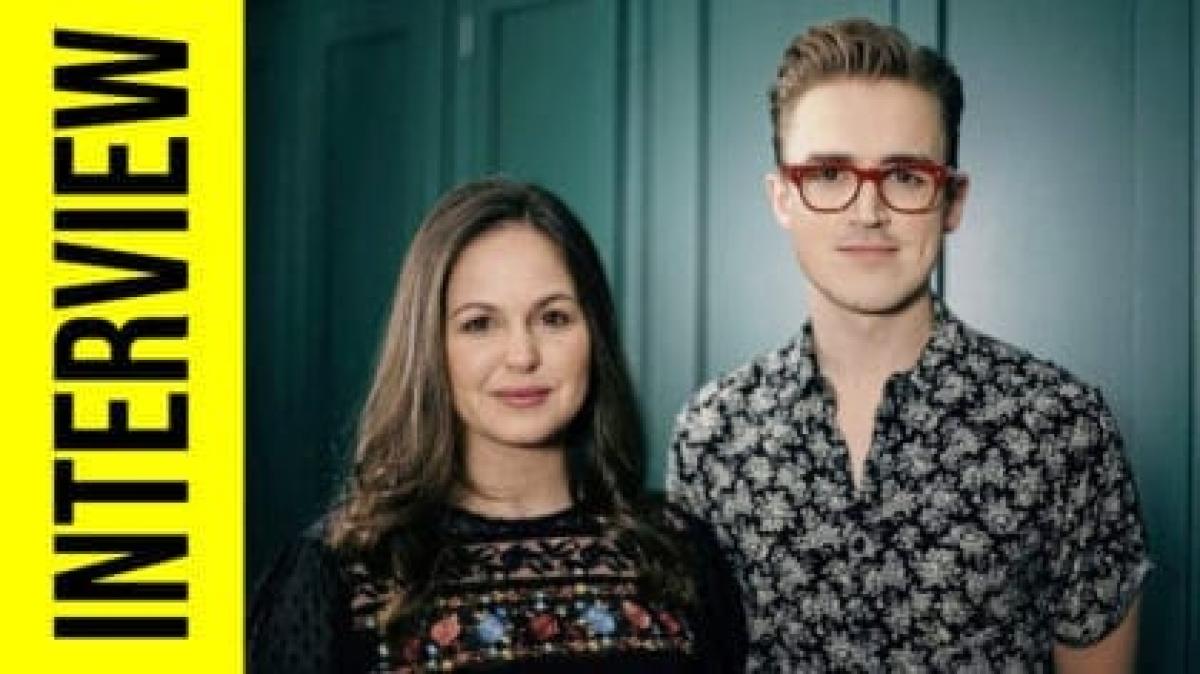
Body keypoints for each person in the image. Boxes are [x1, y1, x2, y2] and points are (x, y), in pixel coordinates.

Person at [667, 18, 1150, 673]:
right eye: (828, 173)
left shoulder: (1061, 425)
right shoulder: (710, 433)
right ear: (781, 198)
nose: (868, 211)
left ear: (952, 200)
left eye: (904, 175)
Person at [250, 178, 747, 673]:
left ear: (594, 335)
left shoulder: (679, 556)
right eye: (479, 324)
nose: (522, 355)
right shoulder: (336, 574)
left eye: (553, 318)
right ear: (430, 347)